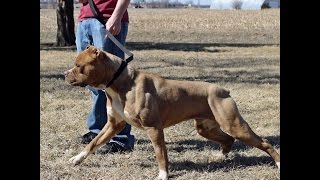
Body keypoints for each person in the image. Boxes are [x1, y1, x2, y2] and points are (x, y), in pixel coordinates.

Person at [75, 0, 134, 154]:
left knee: (116, 84)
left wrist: (117, 16)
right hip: (85, 19)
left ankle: (121, 139)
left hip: (107, 19)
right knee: (92, 81)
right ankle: (97, 130)